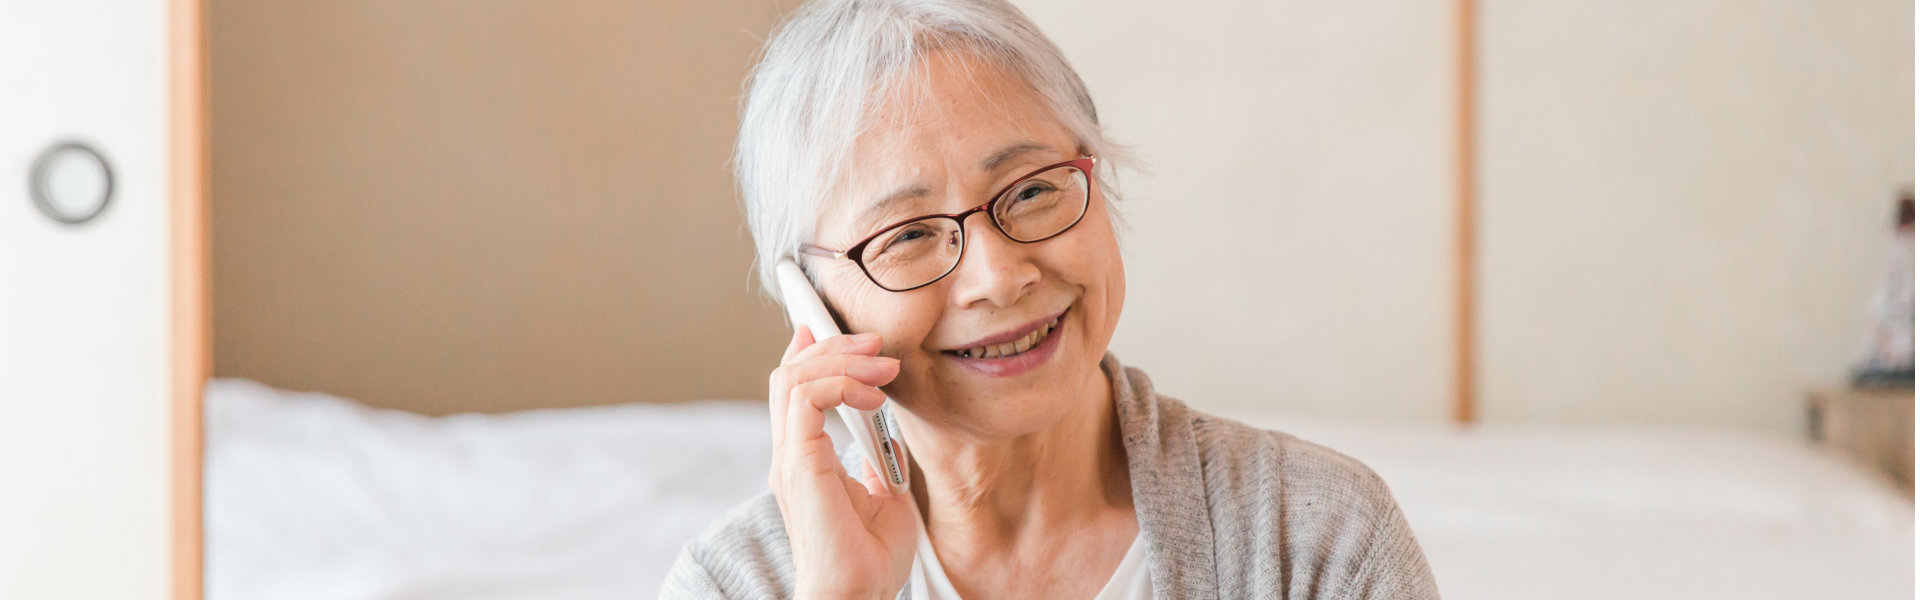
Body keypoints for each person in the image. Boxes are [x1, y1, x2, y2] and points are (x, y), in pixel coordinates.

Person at [663, 0, 1441, 598]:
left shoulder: (1314, 540)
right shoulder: (739, 585)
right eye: (907, 236)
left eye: (1032, 189)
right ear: (810, 301)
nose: (1000, 277)